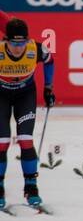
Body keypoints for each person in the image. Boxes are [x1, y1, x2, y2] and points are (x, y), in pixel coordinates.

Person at [0, 18, 55, 209]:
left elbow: (50, 61)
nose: (18, 48)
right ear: (6, 41)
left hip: (25, 95)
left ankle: (31, 187)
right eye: (14, 43)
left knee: (25, 140)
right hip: (2, 96)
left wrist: (48, 88)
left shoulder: (36, 49)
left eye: (22, 43)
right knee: (2, 142)